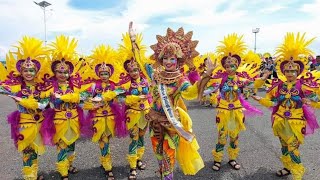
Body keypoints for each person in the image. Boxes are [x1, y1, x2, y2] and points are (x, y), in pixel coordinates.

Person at [145, 27, 216, 179]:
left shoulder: (179, 79)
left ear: (178, 60)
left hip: (170, 124)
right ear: (161, 59)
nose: (168, 61)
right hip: (154, 121)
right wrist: (133, 42)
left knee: (168, 159)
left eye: (172, 58)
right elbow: (139, 62)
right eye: (165, 58)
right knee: (159, 156)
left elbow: (190, 92)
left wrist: (206, 75)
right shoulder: (156, 74)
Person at [251, 32, 320, 180]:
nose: (290, 73)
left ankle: (297, 174)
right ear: (283, 71)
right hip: (280, 121)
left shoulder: (305, 86)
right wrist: (260, 100)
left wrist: (312, 102)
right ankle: (287, 167)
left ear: (298, 71)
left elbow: (317, 100)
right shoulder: (279, 86)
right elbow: (275, 103)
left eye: (293, 70)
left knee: (293, 149)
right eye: (287, 70)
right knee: (283, 147)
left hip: (296, 122)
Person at [208, 33, 268, 172]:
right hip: (223, 111)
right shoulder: (220, 79)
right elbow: (208, 88)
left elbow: (253, 84)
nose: (230, 68)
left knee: (234, 137)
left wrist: (263, 78)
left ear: (237, 66)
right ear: (224, 66)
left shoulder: (241, 79)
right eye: (227, 65)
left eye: (233, 65)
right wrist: (202, 86)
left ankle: (232, 159)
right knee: (222, 137)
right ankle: (217, 159)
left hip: (236, 111)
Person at [40, 35, 90, 180]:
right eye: (60, 72)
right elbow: (43, 105)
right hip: (59, 120)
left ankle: (69, 165)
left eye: (65, 72)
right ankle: (63, 171)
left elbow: (81, 101)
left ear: (70, 73)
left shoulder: (75, 86)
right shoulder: (49, 87)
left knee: (72, 143)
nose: (63, 74)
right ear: (54, 73)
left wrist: (91, 103)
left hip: (74, 119)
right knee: (61, 145)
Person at [0, 36, 48, 180]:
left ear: (36, 71)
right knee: (27, 150)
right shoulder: (16, 87)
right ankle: (30, 177)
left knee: (35, 150)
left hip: (39, 122)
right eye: (25, 70)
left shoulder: (42, 87)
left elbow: (43, 105)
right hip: (25, 122)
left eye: (31, 70)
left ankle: (33, 173)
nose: (28, 73)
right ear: (20, 71)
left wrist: (22, 100)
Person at [81, 45, 125, 180]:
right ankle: (108, 167)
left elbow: (121, 99)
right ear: (98, 74)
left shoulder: (114, 85)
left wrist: (119, 96)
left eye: (106, 73)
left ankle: (104, 160)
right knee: (103, 141)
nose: (104, 75)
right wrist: (92, 102)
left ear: (110, 73)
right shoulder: (93, 86)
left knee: (108, 140)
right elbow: (83, 98)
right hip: (98, 118)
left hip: (111, 117)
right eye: (102, 73)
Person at [117, 30, 151, 180]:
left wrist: (134, 41)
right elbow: (121, 100)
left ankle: (138, 159)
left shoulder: (146, 80)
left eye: (136, 69)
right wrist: (134, 98)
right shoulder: (125, 83)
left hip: (146, 113)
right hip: (133, 114)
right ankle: (132, 167)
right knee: (134, 138)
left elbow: (140, 58)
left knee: (142, 138)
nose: (134, 72)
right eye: (131, 70)